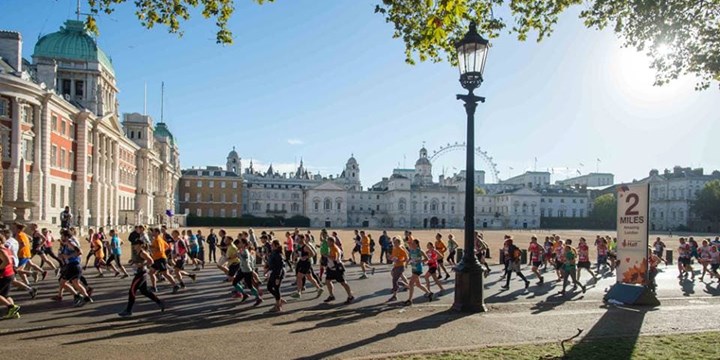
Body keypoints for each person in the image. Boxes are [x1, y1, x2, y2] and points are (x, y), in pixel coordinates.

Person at [118, 237, 166, 317]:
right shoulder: (137, 252)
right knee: (144, 291)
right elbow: (139, 260)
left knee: (132, 291)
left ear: (140, 245)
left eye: (136, 244)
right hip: (138, 273)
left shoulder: (142, 252)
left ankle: (128, 310)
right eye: (134, 244)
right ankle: (160, 302)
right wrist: (133, 261)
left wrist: (141, 265)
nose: (134, 246)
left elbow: (151, 261)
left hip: (141, 274)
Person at [57, 230, 94, 307]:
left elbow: (79, 251)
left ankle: (77, 296)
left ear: (66, 236)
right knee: (76, 283)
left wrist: (67, 256)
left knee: (62, 282)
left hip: (72, 265)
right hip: (76, 265)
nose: (61, 237)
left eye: (62, 236)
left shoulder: (70, 242)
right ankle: (86, 297)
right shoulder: (70, 241)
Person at [324, 236, 355, 304]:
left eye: (328, 241)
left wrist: (326, 256)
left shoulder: (334, 248)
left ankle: (350, 296)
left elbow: (334, 258)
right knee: (327, 281)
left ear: (332, 242)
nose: (327, 243)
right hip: (331, 268)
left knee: (343, 282)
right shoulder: (332, 248)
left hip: (337, 268)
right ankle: (331, 296)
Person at [148, 228, 180, 294]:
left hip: (160, 259)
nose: (152, 233)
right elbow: (167, 246)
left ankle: (175, 285)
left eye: (153, 231)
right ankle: (154, 287)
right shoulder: (160, 239)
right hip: (157, 259)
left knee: (165, 274)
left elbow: (159, 249)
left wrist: (151, 247)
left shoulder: (158, 239)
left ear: (157, 232)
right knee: (151, 272)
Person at [405, 239, 432, 305]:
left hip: (418, 269)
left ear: (417, 244)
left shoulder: (419, 251)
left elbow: (426, 259)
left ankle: (410, 300)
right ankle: (429, 293)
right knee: (418, 284)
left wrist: (420, 261)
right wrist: (407, 263)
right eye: (412, 243)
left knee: (411, 283)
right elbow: (410, 258)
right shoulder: (411, 251)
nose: (412, 244)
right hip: (413, 268)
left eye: (414, 243)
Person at [0, 236, 21, 319]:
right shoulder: (5, 249)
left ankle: (11, 307)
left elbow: (7, 261)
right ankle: (13, 312)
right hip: (10, 274)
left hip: (4, 275)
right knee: (5, 295)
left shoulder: (1, 250)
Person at [265, 240, 286, 312]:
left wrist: (278, 277)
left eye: (273, 245)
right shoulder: (273, 253)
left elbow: (280, 267)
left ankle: (278, 306)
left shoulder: (278, 255)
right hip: (273, 272)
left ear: (277, 246)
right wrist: (267, 269)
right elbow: (271, 263)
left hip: (277, 273)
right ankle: (279, 299)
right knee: (269, 287)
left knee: (276, 288)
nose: (271, 246)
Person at [387, 237, 409, 303]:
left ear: (399, 243)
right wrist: (390, 258)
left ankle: (394, 296)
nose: (394, 244)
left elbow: (406, 258)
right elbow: (393, 257)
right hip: (395, 266)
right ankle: (406, 285)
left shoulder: (401, 250)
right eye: (394, 243)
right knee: (394, 279)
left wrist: (400, 260)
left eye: (396, 243)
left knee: (394, 280)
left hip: (400, 266)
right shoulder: (394, 249)